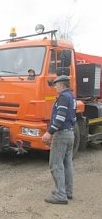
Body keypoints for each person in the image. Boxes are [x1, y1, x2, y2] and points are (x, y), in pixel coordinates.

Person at [42, 75, 76, 205]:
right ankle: (67, 191)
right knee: (67, 164)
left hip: (61, 135)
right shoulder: (71, 96)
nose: (54, 87)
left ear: (62, 85)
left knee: (56, 165)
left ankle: (60, 195)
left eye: (55, 84)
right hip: (70, 133)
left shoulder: (63, 97)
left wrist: (49, 132)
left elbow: (60, 118)